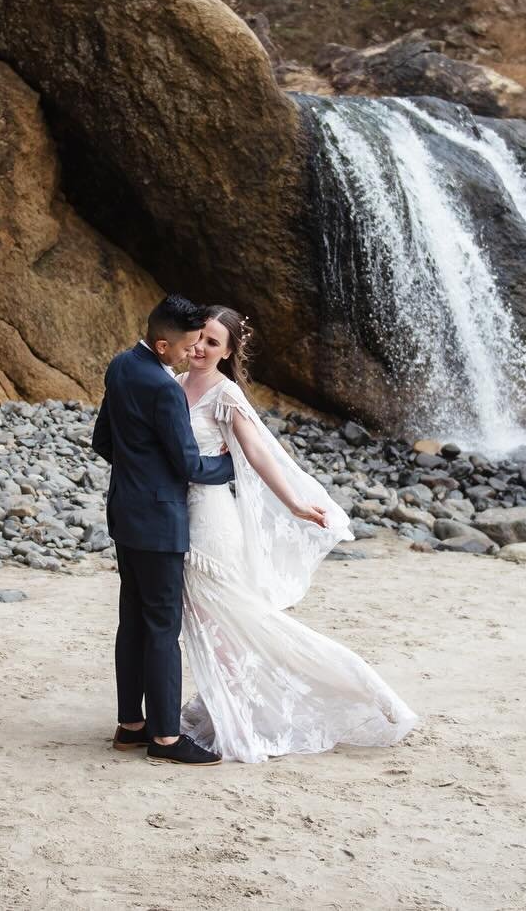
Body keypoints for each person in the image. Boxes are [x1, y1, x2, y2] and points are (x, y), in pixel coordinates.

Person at [175, 304, 418, 763]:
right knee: (209, 622)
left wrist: (295, 504)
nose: (201, 348)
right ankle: (220, 706)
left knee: (233, 620)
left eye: (213, 342)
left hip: (210, 521)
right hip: (176, 516)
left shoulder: (225, 395)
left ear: (227, 353)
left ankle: (344, 688)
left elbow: (260, 454)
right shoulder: (175, 385)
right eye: (199, 337)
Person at [91, 294, 236, 767]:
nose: (191, 354)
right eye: (187, 345)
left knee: (132, 621)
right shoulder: (164, 386)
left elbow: (103, 440)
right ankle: (167, 739)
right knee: (161, 627)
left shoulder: (119, 365)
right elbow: (189, 463)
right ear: (161, 343)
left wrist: (139, 471)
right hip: (159, 521)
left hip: (125, 514)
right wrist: (232, 466)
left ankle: (131, 726)